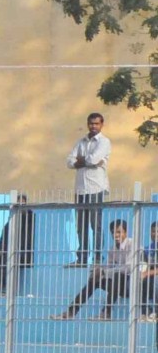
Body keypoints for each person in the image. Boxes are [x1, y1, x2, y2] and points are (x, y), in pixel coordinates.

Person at [51, 219, 135, 321]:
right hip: (118, 285)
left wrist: (104, 272)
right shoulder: (112, 249)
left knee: (118, 275)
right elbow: (106, 267)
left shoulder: (132, 245)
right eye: (113, 232)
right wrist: (98, 272)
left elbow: (128, 268)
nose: (116, 235)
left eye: (119, 232)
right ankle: (71, 312)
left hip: (133, 285)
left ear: (125, 232)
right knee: (95, 279)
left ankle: (106, 313)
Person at [67, 112, 111, 267]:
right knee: (81, 226)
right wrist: (88, 161)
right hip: (80, 189)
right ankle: (82, 259)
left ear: (101, 124)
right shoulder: (81, 142)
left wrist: (82, 160)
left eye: (96, 123)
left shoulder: (104, 142)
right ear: (87, 124)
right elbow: (69, 161)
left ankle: (98, 259)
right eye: (91, 123)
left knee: (96, 226)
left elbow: (94, 158)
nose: (93, 126)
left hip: (95, 188)